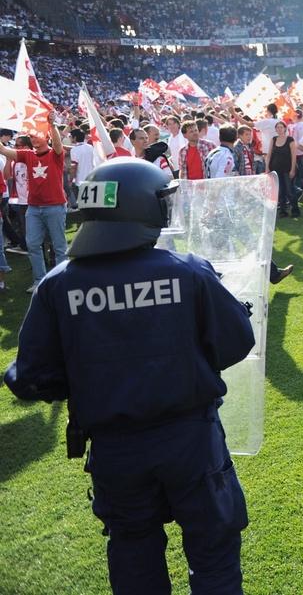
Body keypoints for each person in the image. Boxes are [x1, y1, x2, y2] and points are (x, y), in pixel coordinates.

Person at [3, 158, 255, 594]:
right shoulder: (188, 271)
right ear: (143, 208)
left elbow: (29, 378)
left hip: (115, 449)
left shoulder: (58, 285)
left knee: (133, 551)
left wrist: (91, 378)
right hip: (191, 442)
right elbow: (236, 343)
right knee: (213, 553)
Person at [0, 118, 68, 294]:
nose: (34, 139)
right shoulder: (27, 155)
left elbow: (58, 145)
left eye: (37, 136)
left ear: (47, 136)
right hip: (34, 208)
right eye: (32, 137)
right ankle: (40, 280)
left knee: (59, 246)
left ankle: (62, 280)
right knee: (32, 245)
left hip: (54, 206)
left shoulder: (55, 154)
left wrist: (52, 126)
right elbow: (4, 150)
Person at [267, 120, 298, 218]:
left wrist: (292, 170)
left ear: (285, 128)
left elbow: (294, 156)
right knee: (280, 191)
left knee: (290, 190)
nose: (279, 129)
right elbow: (269, 154)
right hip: (275, 169)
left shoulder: (290, 140)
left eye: (281, 127)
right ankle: (283, 211)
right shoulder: (273, 139)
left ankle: (295, 210)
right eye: (277, 127)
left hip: (287, 169)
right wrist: (267, 167)